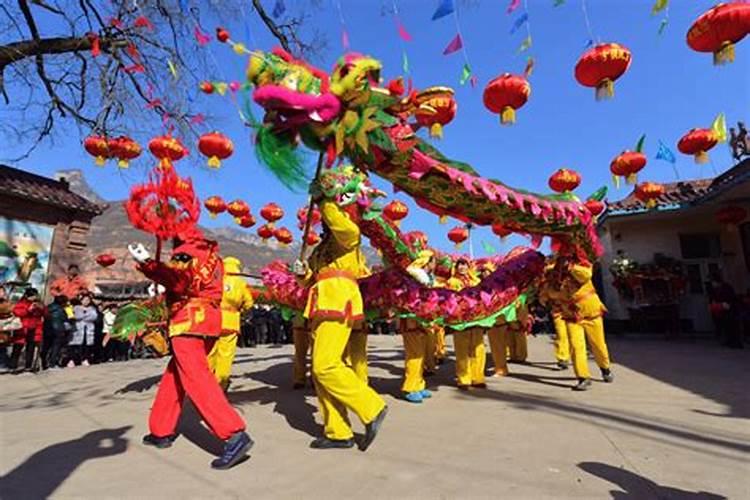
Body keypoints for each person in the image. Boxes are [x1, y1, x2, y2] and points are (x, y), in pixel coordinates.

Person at [129, 231, 252, 469]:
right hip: (208, 320)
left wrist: (149, 264)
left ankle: (233, 433)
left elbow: (181, 281)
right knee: (174, 378)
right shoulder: (211, 254)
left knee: (197, 378)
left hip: (189, 320)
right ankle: (161, 429)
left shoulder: (187, 251)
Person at [293, 167, 388, 450]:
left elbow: (341, 224)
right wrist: (302, 273)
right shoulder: (321, 249)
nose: (325, 222)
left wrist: (324, 201)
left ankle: (371, 407)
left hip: (337, 302)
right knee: (322, 373)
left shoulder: (349, 233)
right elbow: (311, 278)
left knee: (325, 366)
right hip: (320, 303)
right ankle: (338, 431)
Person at [560, 252, 614, 391]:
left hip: (591, 313)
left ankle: (605, 368)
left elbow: (585, 276)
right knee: (576, 347)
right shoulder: (557, 273)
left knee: (598, 345)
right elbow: (552, 293)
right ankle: (583, 377)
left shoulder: (583, 263)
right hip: (572, 315)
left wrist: (571, 267)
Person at [208, 256, 255, 391]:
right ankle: (221, 383)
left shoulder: (215, 279)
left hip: (213, 319)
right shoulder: (240, 282)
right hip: (230, 321)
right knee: (226, 354)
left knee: (210, 352)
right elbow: (249, 303)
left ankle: (206, 381)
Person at [400, 250, 439, 403]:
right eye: (433, 261)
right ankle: (410, 387)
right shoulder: (414, 276)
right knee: (414, 355)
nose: (435, 264)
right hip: (412, 323)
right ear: (427, 262)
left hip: (422, 322)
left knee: (421, 356)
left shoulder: (427, 277)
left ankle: (419, 384)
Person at [447, 258, 485, 390]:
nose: (462, 268)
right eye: (460, 265)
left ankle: (478, 377)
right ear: (456, 267)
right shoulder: (451, 282)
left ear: (469, 267)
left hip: (476, 319)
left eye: (464, 265)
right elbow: (449, 299)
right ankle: (464, 379)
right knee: (462, 350)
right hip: (460, 319)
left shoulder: (476, 281)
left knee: (478, 349)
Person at [539, 257, 571, 370]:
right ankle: (563, 358)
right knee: (561, 333)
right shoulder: (547, 286)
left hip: (573, 312)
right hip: (558, 312)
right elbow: (542, 299)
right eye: (550, 274)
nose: (554, 275)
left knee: (573, 336)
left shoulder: (568, 282)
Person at [10, 288, 45, 372]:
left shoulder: (37, 303)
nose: (33, 298)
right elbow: (17, 312)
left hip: (33, 328)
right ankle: (13, 366)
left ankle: (28, 366)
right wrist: (28, 309)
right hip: (22, 328)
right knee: (17, 347)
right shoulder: (21, 303)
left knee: (31, 348)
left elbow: (44, 314)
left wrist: (41, 308)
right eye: (32, 296)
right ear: (27, 296)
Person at [708, 274, 743, 349]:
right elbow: (714, 298)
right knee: (726, 326)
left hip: (730, 309)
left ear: (717, 281)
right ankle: (729, 341)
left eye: (713, 282)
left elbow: (731, 298)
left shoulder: (726, 287)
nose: (712, 284)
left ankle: (736, 342)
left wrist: (727, 304)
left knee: (733, 326)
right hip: (722, 310)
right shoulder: (715, 289)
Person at [69, 293, 98, 367]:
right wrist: (85, 315)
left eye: (88, 300)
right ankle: (72, 360)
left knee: (86, 345)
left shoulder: (92, 308)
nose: (86, 301)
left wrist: (83, 316)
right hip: (77, 329)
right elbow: (77, 316)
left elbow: (94, 317)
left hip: (88, 329)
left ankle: (84, 359)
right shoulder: (76, 308)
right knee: (75, 345)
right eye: (85, 300)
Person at [45, 295, 71, 368]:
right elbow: (68, 318)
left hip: (47, 329)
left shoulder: (48, 307)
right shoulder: (62, 309)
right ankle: (53, 363)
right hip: (58, 330)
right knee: (56, 347)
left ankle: (45, 363)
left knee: (47, 347)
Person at [291, 314, 311, 389]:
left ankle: (314, 378)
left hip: (313, 321)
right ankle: (299, 379)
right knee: (299, 352)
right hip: (299, 322)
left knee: (316, 353)